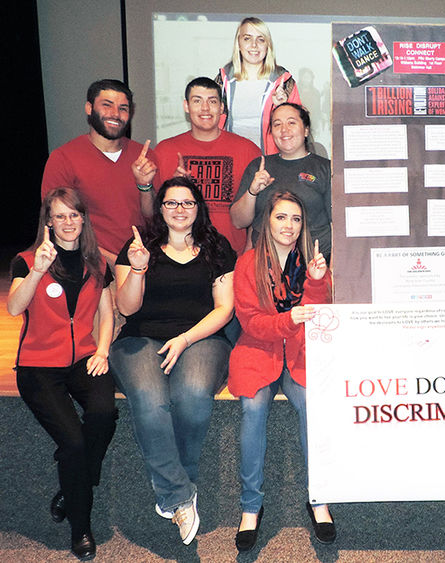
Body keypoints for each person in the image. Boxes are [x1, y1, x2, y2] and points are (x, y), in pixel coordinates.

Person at [109, 177, 236, 545]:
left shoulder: (217, 248)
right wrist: (137, 269)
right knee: (151, 401)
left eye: (187, 203)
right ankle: (180, 497)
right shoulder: (137, 248)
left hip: (201, 337)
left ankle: (176, 483)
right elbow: (126, 307)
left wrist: (184, 339)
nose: (180, 210)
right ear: (160, 209)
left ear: (199, 208)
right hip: (140, 338)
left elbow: (224, 308)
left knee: (194, 397)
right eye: (171, 203)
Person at [8, 188, 116, 561]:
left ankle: (74, 484)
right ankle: (80, 528)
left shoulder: (97, 261)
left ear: (83, 219)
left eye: (74, 215)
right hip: (39, 366)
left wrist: (102, 349)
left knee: (105, 414)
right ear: (48, 222)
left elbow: (107, 311)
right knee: (73, 443)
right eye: (59, 216)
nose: (68, 223)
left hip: (84, 359)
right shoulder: (27, 259)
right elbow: (13, 307)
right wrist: (37, 271)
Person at [228, 191, 332, 549]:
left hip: (300, 352)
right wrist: (288, 320)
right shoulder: (248, 263)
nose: (289, 226)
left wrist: (318, 282)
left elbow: (319, 318)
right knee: (253, 408)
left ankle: (319, 499)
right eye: (281, 217)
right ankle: (250, 507)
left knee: (310, 404)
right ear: (267, 222)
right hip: (259, 350)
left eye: (296, 219)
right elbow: (252, 322)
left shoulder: (312, 262)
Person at [42, 79, 161, 268]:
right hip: (91, 268)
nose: (115, 114)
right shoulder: (63, 158)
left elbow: (153, 217)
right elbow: (60, 224)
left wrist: (144, 186)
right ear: (89, 108)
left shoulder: (144, 156)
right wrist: (111, 264)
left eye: (123, 108)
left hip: (142, 263)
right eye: (107, 105)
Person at [154, 77, 261, 253]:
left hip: (231, 256)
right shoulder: (164, 150)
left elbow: (260, 212)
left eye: (212, 101)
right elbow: (152, 211)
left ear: (221, 108)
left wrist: (249, 252)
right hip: (177, 257)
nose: (205, 108)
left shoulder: (248, 150)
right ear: (186, 106)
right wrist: (173, 187)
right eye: (197, 101)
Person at [231, 103, 332, 257]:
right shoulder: (259, 166)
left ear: (306, 130)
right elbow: (239, 221)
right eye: (277, 124)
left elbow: (338, 224)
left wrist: (331, 269)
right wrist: (253, 192)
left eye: (291, 122)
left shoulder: (325, 168)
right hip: (265, 263)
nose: (284, 130)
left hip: (314, 265)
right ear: (272, 133)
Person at [217, 17, 301, 153]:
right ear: (238, 43)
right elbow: (209, 125)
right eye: (247, 38)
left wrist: (282, 107)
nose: (254, 45)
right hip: (232, 161)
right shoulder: (222, 80)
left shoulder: (284, 82)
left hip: (272, 163)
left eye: (261, 39)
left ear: (268, 45)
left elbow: (299, 127)